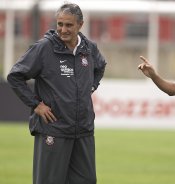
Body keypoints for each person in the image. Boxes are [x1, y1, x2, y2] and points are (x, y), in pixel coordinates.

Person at [7, 3, 106, 184]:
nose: (63, 29)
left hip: (83, 130)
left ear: (80, 25)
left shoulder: (89, 48)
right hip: (54, 129)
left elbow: (100, 66)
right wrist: (36, 105)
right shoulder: (43, 48)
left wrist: (90, 87)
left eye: (69, 25)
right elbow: (15, 76)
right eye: (60, 24)